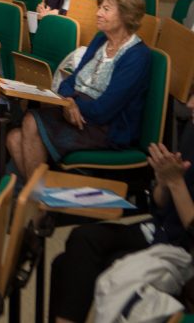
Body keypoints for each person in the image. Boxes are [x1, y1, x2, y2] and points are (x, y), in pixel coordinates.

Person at [49, 110, 194, 323]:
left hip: (183, 249)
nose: (189, 105)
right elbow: (162, 205)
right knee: (82, 239)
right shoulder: (190, 129)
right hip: (161, 230)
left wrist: (175, 183)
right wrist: (164, 182)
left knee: (101, 267)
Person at [7, 0, 152, 180]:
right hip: (78, 111)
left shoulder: (137, 56)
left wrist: (72, 104)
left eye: (106, 9)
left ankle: (35, 202)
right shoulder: (101, 40)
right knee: (14, 137)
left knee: (30, 121)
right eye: (99, 7)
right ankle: (39, 201)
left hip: (108, 127)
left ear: (126, 16)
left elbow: (105, 109)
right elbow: (70, 81)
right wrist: (68, 100)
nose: (98, 13)